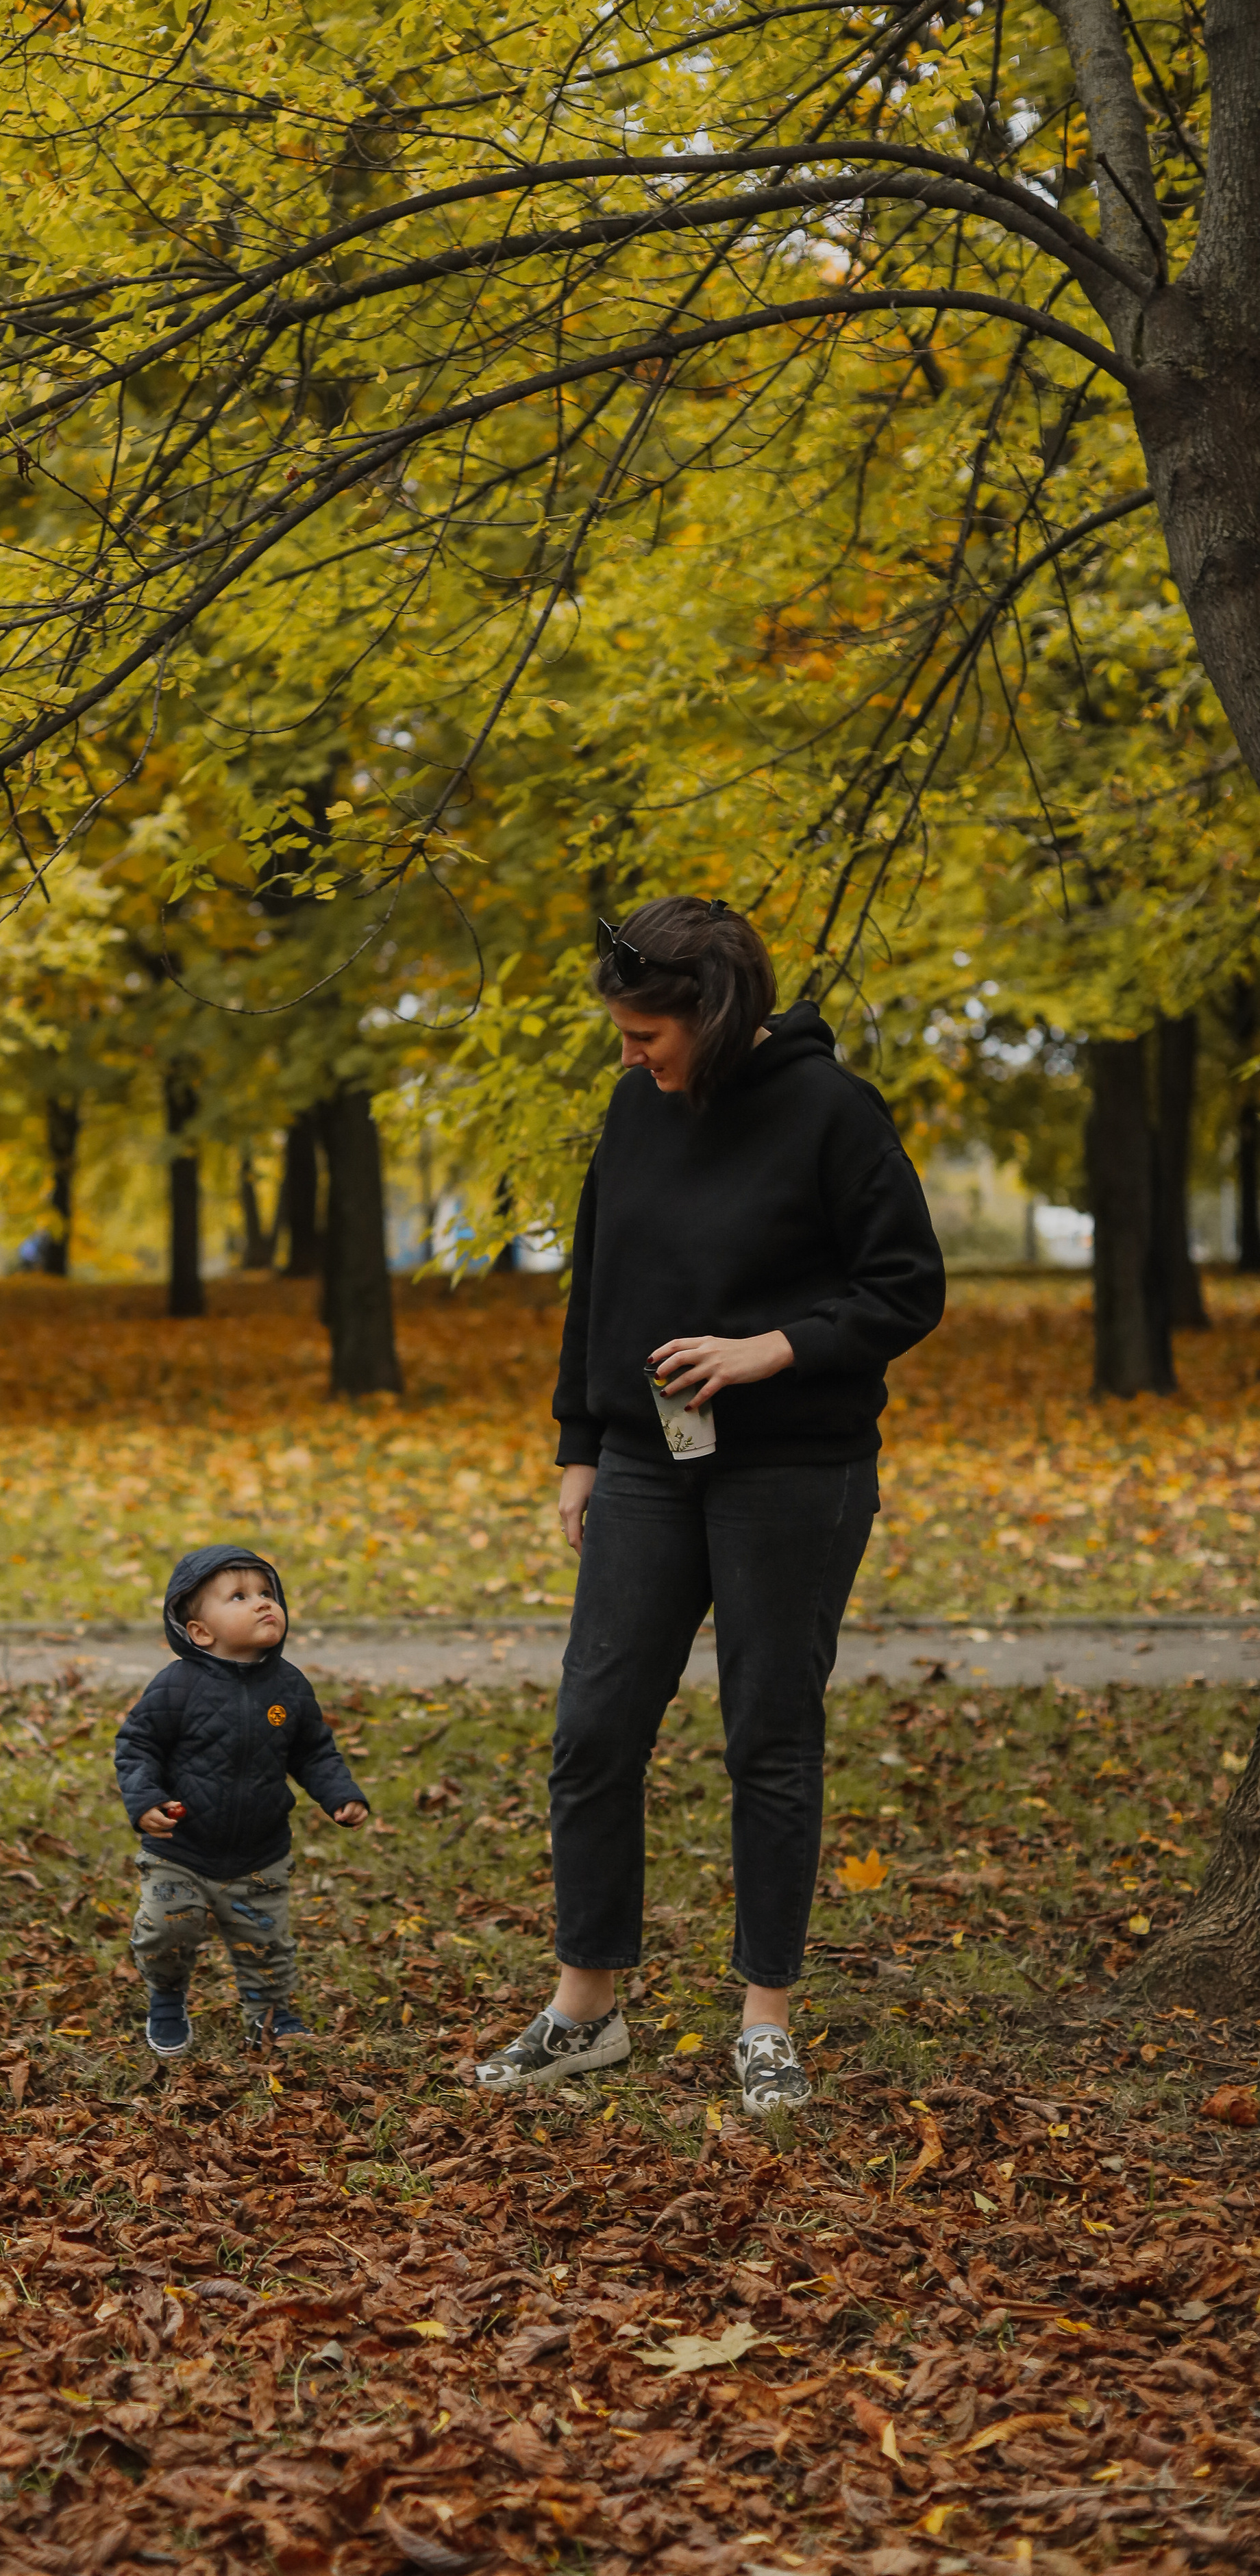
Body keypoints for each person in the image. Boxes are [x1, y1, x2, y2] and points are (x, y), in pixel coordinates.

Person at [477, 897, 945, 2112]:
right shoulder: (639, 1109)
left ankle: (765, 2022)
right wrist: (580, 1445)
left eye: (646, 1035)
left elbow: (908, 1288)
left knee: (767, 1738)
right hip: (644, 1463)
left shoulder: (832, 1113)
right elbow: (601, 1275)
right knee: (592, 1730)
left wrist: (770, 1348)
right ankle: (587, 2010)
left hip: (795, 1468)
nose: (630, 1057)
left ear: (714, 1012)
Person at [114, 1543, 369, 2058]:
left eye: (267, 1593)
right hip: (180, 1850)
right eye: (239, 1596)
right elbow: (137, 1744)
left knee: (265, 1943)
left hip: (259, 1851)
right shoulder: (177, 1687)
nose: (262, 1603)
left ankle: (268, 2013)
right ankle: (166, 1997)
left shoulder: (290, 1687)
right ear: (200, 1632)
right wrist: (145, 1801)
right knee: (167, 1933)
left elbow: (314, 1751)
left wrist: (339, 1794)